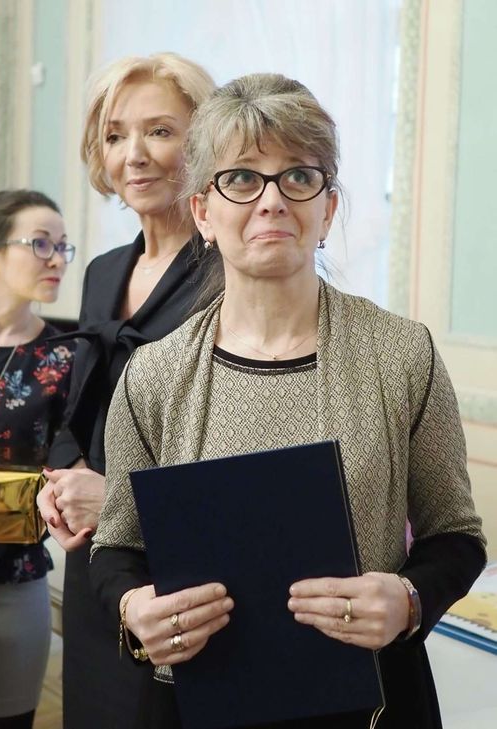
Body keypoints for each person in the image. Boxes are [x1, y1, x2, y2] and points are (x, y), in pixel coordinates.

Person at [90, 73, 486, 729]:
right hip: (198, 701)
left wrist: (410, 598)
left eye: (298, 176)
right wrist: (134, 609)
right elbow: (116, 548)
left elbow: (456, 536)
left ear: (327, 209)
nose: (272, 200)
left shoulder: (401, 353)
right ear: (203, 212)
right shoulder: (153, 374)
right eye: (242, 178)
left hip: (373, 702)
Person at [37, 53, 216, 728]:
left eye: (159, 131)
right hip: (95, 563)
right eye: (115, 135)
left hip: (181, 567)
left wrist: (112, 494)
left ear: (204, 141)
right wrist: (61, 481)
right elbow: (78, 405)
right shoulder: (104, 270)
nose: (133, 154)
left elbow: (235, 447)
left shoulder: (229, 273)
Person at [0, 189, 75, 729]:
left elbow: (69, 471)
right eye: (41, 244)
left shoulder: (67, 356)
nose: (57, 260)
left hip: (14, 584)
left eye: (63, 247)